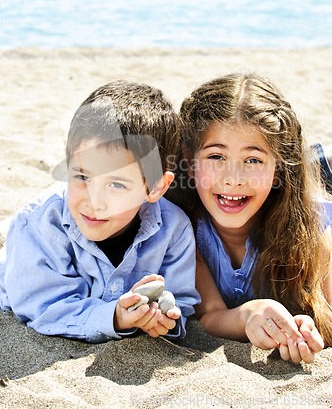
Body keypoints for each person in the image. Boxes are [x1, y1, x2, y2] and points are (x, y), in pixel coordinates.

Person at [0, 81, 200, 343]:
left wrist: (164, 319)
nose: (95, 201)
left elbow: (181, 299)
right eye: (83, 176)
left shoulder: (174, 229)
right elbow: (44, 307)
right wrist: (113, 318)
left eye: (116, 184)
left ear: (156, 187)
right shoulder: (38, 224)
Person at [168, 71, 332, 364]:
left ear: (279, 168)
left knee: (319, 168)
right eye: (216, 157)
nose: (233, 179)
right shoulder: (182, 229)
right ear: (189, 162)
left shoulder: (315, 232)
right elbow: (210, 315)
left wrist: (307, 326)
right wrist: (249, 315)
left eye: (253, 160)